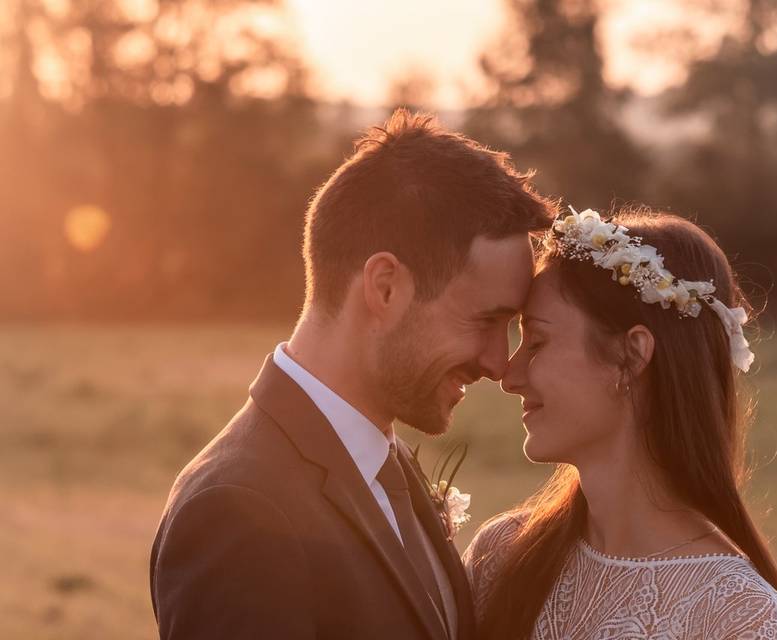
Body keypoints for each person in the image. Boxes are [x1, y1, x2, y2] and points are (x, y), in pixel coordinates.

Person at [149, 109, 555, 640]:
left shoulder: (387, 462)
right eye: (486, 320)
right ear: (385, 287)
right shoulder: (237, 511)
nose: (498, 363)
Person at [463, 207, 777, 639]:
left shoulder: (735, 615)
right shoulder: (502, 555)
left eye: (538, 341)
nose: (509, 376)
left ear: (632, 355)